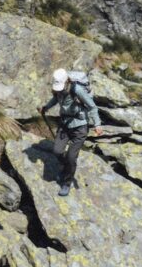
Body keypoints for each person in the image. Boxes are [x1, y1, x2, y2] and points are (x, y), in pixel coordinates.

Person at [39, 68, 103, 197]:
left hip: (80, 127)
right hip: (65, 124)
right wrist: (46, 107)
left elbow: (92, 106)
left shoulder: (77, 90)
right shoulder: (59, 90)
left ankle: (66, 183)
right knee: (57, 151)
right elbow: (56, 99)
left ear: (67, 81)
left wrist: (97, 124)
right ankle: (66, 167)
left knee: (71, 156)